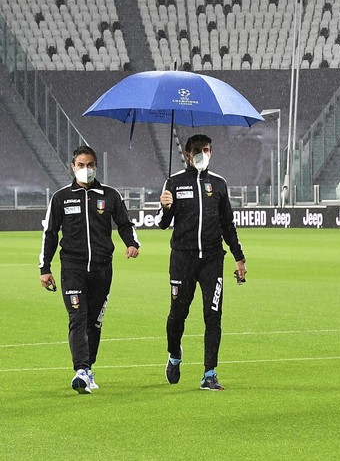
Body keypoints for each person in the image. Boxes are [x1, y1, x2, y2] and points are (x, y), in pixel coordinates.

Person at [39, 145, 140, 394]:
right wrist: (45, 267)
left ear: (97, 166)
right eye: (81, 165)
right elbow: (50, 234)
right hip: (72, 268)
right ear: (72, 167)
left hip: (102, 269)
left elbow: (125, 223)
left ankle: (89, 368)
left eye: (90, 165)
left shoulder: (110, 195)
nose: (86, 169)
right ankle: (81, 370)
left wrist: (132, 243)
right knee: (77, 318)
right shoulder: (61, 197)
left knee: (93, 323)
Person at [158, 134, 247, 390]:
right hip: (182, 260)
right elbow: (162, 224)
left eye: (206, 149)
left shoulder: (219, 184)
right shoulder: (174, 182)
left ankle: (210, 374)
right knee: (177, 316)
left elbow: (228, 225)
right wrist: (165, 207)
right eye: (197, 150)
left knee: (213, 316)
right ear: (187, 154)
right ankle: (174, 355)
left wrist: (239, 257)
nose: (202, 154)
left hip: (211, 259)